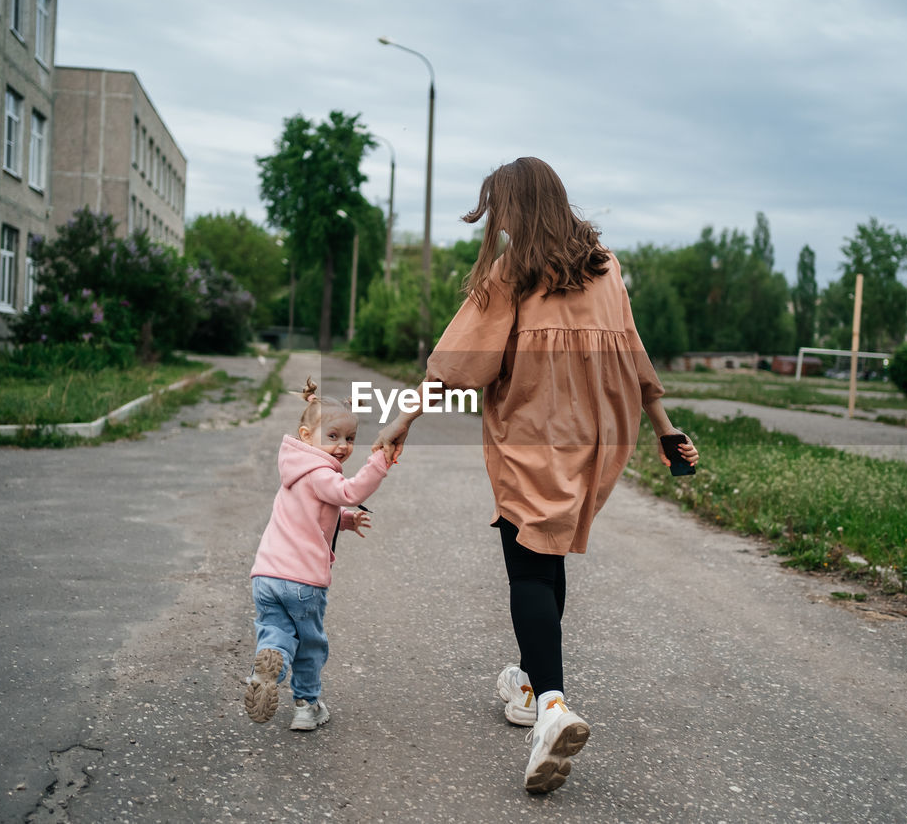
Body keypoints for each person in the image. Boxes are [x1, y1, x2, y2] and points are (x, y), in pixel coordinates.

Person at [372, 157, 698, 793]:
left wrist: (402, 418)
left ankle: (551, 705)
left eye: (501, 210)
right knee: (548, 560)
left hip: (534, 437)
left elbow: (458, 365)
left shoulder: (513, 274)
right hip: (599, 439)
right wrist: (666, 429)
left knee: (527, 564)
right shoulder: (605, 266)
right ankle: (528, 687)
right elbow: (633, 349)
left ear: (514, 209)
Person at [245, 377, 391, 731]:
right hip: (302, 582)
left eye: (350, 439)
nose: (342, 446)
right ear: (307, 435)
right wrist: (379, 461)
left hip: (266, 576)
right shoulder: (322, 472)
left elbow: (309, 514)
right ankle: (306, 706)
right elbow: (350, 489)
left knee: (276, 631)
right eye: (333, 436)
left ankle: (272, 660)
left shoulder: (294, 469)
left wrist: (343, 520)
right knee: (310, 643)